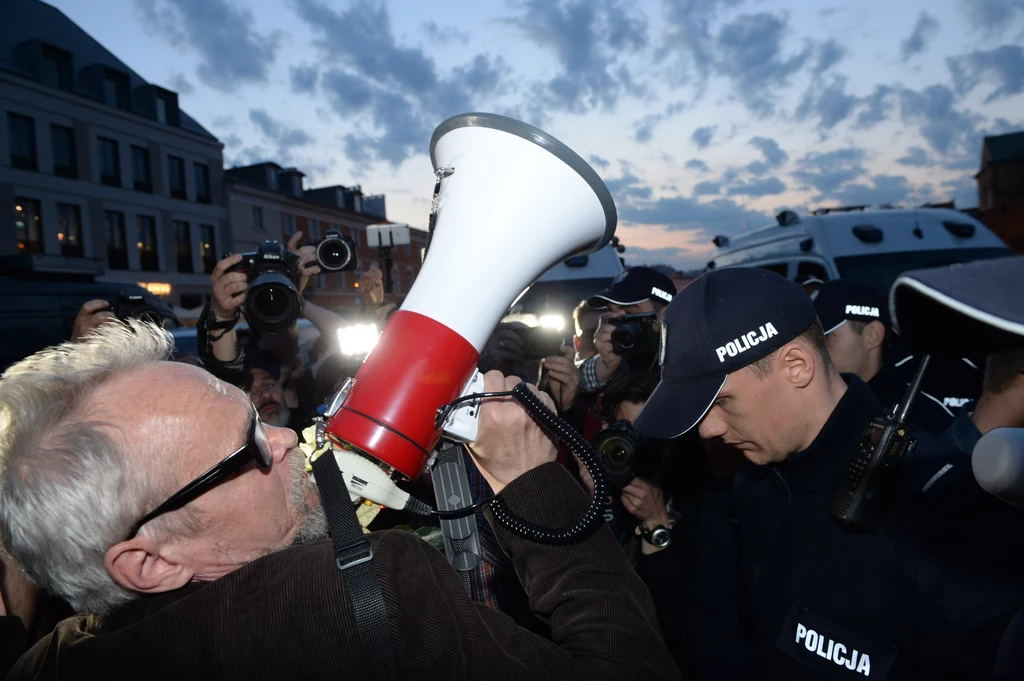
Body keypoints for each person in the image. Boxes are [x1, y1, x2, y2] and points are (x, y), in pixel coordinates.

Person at [0, 321, 680, 680]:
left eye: (258, 415)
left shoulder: (49, 662)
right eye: (250, 448)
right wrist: (533, 480)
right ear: (150, 562)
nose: (288, 438)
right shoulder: (372, 595)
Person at [632, 267, 1024, 681]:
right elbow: (721, 641)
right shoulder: (748, 482)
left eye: (722, 400)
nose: (708, 429)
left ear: (797, 366)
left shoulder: (940, 508)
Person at [813, 278, 952, 433]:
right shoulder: (813, 403)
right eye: (812, 339)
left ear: (873, 335)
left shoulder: (921, 416)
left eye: (826, 337)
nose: (815, 349)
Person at [580, 267, 677, 394]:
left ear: (665, 314)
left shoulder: (691, 357)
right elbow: (574, 382)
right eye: (611, 312)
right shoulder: (617, 357)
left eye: (630, 313)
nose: (617, 322)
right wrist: (604, 367)